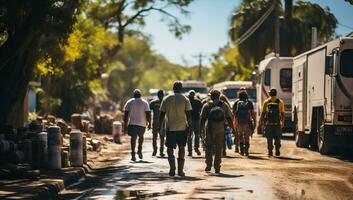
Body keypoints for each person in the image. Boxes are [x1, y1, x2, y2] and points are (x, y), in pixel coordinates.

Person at [159, 81, 192, 177]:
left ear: (173, 88)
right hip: (182, 128)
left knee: (170, 148)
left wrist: (159, 127)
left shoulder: (166, 99)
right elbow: (189, 115)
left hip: (170, 128)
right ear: (181, 88)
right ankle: (180, 171)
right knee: (181, 147)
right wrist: (190, 127)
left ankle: (172, 169)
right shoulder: (185, 99)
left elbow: (162, 115)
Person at [200, 89, 235, 173]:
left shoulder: (207, 105)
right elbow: (229, 118)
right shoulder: (224, 105)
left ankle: (208, 165)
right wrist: (233, 128)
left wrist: (201, 129)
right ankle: (217, 167)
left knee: (209, 147)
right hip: (221, 128)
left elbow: (203, 119)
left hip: (209, 128)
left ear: (211, 96)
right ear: (219, 96)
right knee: (219, 148)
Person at [123, 89, 151, 161]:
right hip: (142, 124)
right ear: (140, 95)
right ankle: (139, 149)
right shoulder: (145, 102)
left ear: (134, 95)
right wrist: (149, 123)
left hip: (132, 123)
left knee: (133, 138)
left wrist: (125, 125)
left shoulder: (129, 102)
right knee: (141, 137)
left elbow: (126, 115)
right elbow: (148, 114)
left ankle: (133, 154)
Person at [260, 88, 285, 156]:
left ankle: (270, 151)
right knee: (278, 138)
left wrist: (261, 121)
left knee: (269, 138)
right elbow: (282, 113)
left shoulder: (266, 102)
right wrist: (282, 122)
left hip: (268, 123)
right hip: (277, 123)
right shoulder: (280, 102)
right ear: (276, 94)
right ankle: (277, 150)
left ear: (269, 94)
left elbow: (263, 113)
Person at [233, 90, 256, 156]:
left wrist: (234, 123)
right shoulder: (249, 103)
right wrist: (254, 121)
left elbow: (234, 114)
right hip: (247, 122)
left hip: (239, 122)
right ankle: (246, 150)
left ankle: (241, 150)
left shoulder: (237, 103)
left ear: (239, 96)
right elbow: (252, 113)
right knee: (246, 136)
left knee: (240, 135)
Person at [149, 90, 166, 157]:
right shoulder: (165, 102)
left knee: (155, 137)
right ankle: (160, 151)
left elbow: (149, 112)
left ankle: (155, 150)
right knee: (161, 137)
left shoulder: (153, 102)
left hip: (156, 122)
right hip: (162, 122)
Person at [187, 90, 203, 156]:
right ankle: (194, 149)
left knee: (190, 135)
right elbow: (200, 110)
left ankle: (191, 150)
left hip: (191, 120)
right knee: (195, 135)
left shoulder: (187, 101)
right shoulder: (198, 101)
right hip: (195, 119)